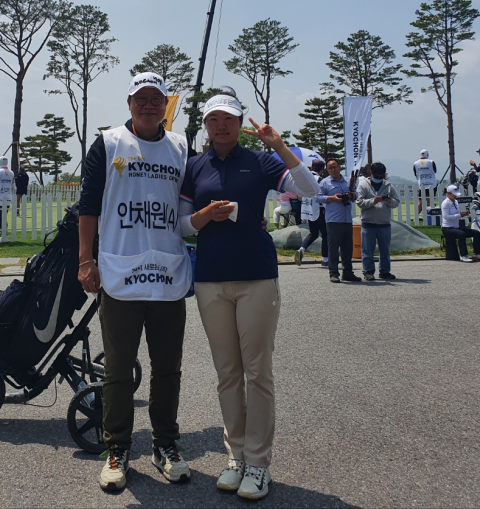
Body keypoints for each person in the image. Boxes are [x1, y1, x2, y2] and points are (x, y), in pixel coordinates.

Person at [179, 95, 319, 500]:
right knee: (227, 373)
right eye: (214, 119)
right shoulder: (195, 166)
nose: (221, 125)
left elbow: (308, 189)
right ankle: (235, 457)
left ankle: (258, 464)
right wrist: (206, 217)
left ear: (241, 123)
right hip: (210, 279)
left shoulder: (262, 160)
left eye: (230, 119)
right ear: (205, 124)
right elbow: (184, 226)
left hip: (257, 275)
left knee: (257, 372)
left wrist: (279, 146)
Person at [78, 72, 193, 493]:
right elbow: (88, 205)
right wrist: (85, 259)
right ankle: (118, 448)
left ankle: (165, 444)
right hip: (120, 273)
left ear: (166, 104)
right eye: (140, 98)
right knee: (118, 370)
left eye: (155, 99)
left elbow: (189, 206)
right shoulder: (108, 143)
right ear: (129, 103)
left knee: (167, 369)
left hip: (167, 274)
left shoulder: (181, 146)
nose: (147, 105)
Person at [317, 160, 361, 283]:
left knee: (347, 248)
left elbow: (356, 194)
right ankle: (333, 272)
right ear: (327, 170)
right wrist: (332, 198)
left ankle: (348, 272)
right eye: (330, 168)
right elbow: (317, 197)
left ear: (339, 167)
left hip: (347, 219)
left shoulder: (348, 181)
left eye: (335, 167)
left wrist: (352, 195)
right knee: (333, 248)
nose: (333, 170)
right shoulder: (325, 183)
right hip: (333, 220)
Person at [355, 161, 400, 280]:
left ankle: (385, 271)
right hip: (368, 223)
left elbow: (396, 202)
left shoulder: (388, 185)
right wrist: (373, 201)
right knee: (367, 250)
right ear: (371, 173)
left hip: (384, 223)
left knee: (385, 250)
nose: (379, 178)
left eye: (381, 176)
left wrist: (389, 201)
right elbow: (359, 202)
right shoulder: (363, 185)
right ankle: (368, 271)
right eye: (377, 175)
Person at [294, 159, 327, 267]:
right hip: (319, 210)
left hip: (308, 209)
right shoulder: (320, 179)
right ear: (322, 169)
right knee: (326, 235)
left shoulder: (306, 178)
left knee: (313, 233)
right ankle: (326, 259)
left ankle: (301, 249)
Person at [441, 185, 480, 262]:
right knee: (461, 234)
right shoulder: (445, 203)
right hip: (447, 228)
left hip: (456, 227)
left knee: (476, 233)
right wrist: (459, 215)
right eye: (454, 194)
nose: (455, 196)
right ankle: (464, 255)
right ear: (448, 193)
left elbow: (456, 214)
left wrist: (463, 215)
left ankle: (478, 253)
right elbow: (446, 216)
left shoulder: (456, 202)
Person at [0, 156, 15, 231]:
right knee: (4, 215)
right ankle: (4, 230)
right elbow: (13, 186)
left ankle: (2, 231)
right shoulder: (11, 173)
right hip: (8, 197)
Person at [413, 149, 438, 216]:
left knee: (420, 200)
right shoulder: (431, 162)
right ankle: (431, 215)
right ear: (427, 155)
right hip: (432, 184)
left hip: (422, 184)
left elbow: (415, 174)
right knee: (431, 200)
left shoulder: (415, 163)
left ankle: (416, 215)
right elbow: (435, 171)